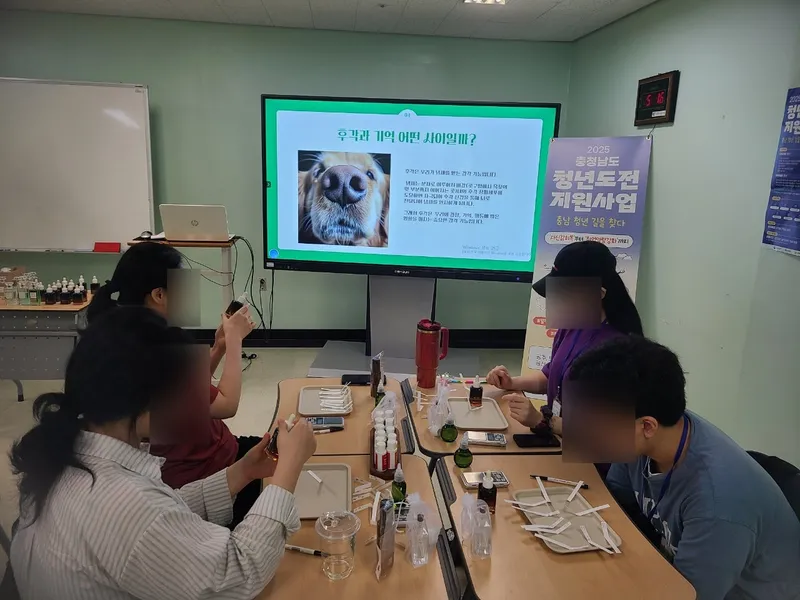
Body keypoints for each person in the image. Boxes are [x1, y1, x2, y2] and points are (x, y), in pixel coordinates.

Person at [9, 307, 317, 600]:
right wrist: (288, 468)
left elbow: (167, 510)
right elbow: (240, 572)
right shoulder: (125, 504)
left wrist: (242, 471)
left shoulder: (72, 454)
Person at [564, 336, 800, 600]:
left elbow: (689, 595)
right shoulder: (651, 433)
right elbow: (616, 508)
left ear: (647, 426)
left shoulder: (718, 503)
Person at [87, 241, 260, 526]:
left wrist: (218, 349)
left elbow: (189, 394)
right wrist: (235, 340)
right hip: (206, 475)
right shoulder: (160, 350)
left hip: (211, 451)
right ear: (159, 295)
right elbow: (227, 404)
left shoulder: (127, 338)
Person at [487, 240, 643, 434]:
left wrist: (542, 421)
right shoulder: (572, 323)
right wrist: (511, 383)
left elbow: (607, 432)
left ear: (598, 293)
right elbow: (552, 376)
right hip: (557, 439)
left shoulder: (619, 349)